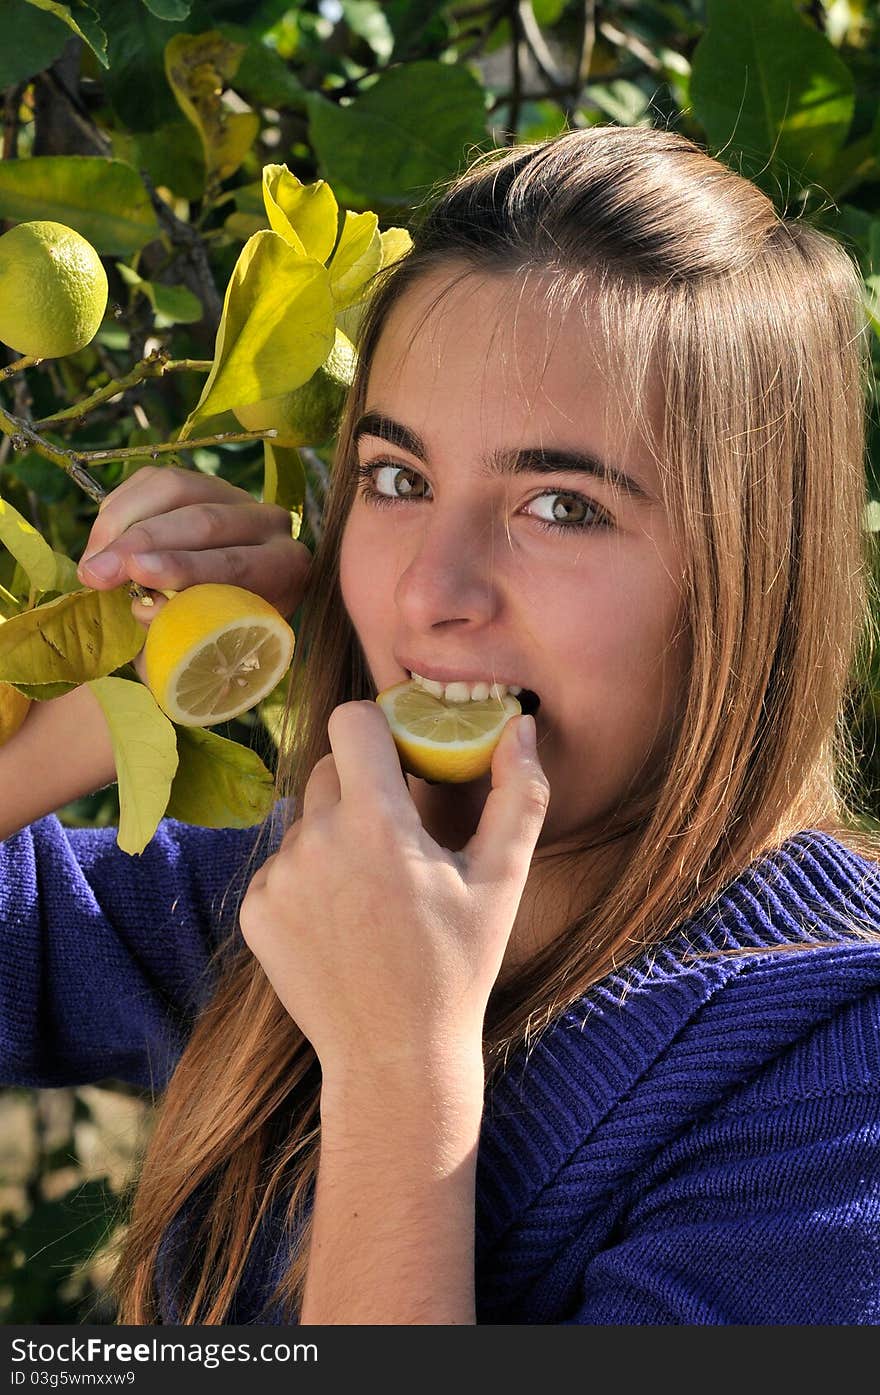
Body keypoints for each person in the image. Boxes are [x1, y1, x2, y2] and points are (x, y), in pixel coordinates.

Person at [2, 123, 879, 1327]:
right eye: (398, 480)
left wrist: (395, 1070)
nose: (427, 592)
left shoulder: (839, 1063)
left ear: (752, 578)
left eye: (561, 505)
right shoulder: (294, 906)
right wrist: (116, 684)